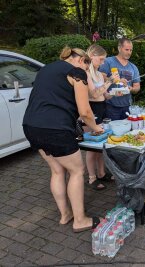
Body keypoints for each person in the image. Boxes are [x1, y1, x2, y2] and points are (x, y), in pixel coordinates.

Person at [22, 47, 102, 232]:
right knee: (76, 171)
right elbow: (85, 111)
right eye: (87, 68)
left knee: (57, 171)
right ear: (82, 61)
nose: (86, 73)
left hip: (31, 126)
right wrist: (96, 128)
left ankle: (65, 215)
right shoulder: (77, 73)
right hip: (55, 129)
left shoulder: (46, 69)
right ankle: (80, 220)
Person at [85, 44, 115, 190]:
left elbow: (104, 95)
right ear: (92, 57)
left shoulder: (98, 73)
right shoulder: (86, 74)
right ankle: (92, 177)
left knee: (102, 143)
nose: (103, 63)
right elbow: (94, 94)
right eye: (101, 59)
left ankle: (102, 173)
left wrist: (114, 93)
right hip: (92, 110)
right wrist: (110, 81)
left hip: (102, 108)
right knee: (92, 146)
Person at [99, 37, 140, 120]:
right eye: (126, 49)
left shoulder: (133, 67)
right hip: (110, 105)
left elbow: (137, 87)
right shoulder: (108, 61)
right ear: (119, 48)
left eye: (131, 50)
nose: (129, 52)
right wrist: (114, 80)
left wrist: (130, 88)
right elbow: (101, 77)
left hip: (127, 106)